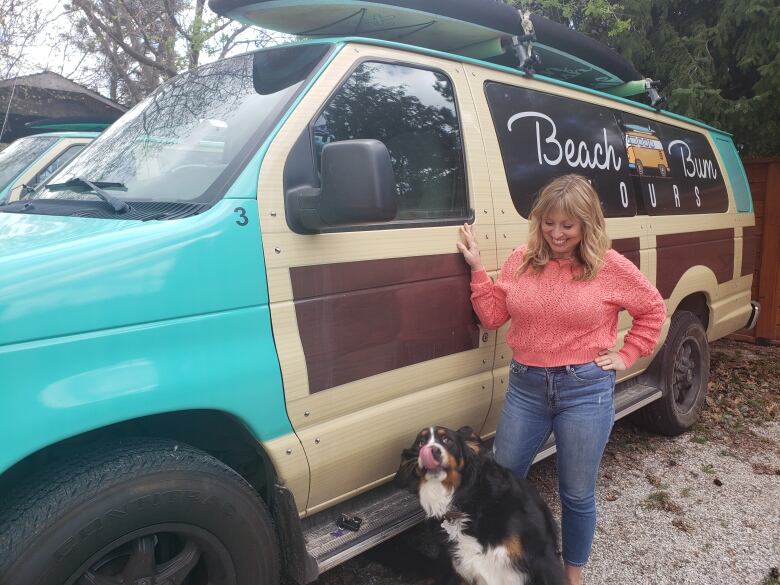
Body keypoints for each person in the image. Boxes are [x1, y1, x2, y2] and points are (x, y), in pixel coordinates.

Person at [457, 174, 666, 585]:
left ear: (587, 223)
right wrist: (478, 268)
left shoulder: (609, 266)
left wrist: (626, 354)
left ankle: (571, 574)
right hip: (526, 388)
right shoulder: (522, 259)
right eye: (549, 223)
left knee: (576, 492)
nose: (556, 234)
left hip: (584, 391)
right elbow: (494, 317)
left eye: (567, 226)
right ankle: (496, 564)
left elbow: (653, 309)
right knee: (502, 482)